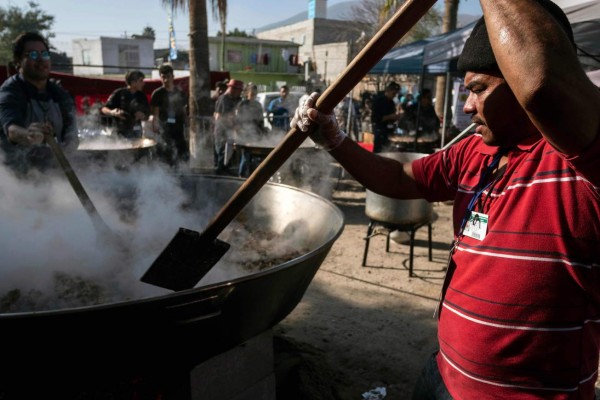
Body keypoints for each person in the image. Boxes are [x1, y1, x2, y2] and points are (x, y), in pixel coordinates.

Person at [291, 0, 600, 398]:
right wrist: (333, 139)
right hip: (442, 376)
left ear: (517, 80)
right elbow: (400, 178)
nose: (467, 106)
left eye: (479, 89)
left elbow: (542, 85)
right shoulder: (475, 152)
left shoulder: (582, 161)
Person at [0, 32, 78, 176]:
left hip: (53, 177)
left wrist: (69, 150)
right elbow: (12, 130)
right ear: (18, 60)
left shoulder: (59, 93)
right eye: (33, 55)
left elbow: (71, 132)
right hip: (16, 178)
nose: (41, 60)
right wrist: (29, 135)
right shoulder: (10, 91)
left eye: (45, 54)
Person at [150, 64, 189, 168]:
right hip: (164, 127)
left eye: (168, 76)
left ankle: (182, 170)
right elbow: (155, 112)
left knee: (181, 151)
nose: (166, 80)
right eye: (163, 77)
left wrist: (187, 124)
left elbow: (183, 110)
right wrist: (155, 125)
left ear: (173, 76)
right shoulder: (158, 93)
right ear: (160, 78)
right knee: (166, 151)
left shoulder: (180, 92)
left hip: (178, 126)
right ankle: (167, 171)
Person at [100, 70, 150, 139]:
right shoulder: (119, 93)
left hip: (137, 132)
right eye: (141, 81)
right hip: (120, 132)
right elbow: (104, 109)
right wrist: (112, 112)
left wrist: (143, 116)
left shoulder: (142, 96)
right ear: (133, 82)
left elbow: (147, 115)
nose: (143, 83)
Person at [213, 78, 243, 174]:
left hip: (229, 133)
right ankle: (220, 177)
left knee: (228, 158)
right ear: (232, 89)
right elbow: (218, 117)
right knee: (222, 157)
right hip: (221, 132)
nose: (239, 93)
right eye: (239, 90)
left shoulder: (236, 99)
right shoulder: (224, 99)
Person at [235, 83, 266, 177]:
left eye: (255, 93)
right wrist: (238, 132)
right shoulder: (242, 104)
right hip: (244, 133)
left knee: (255, 157)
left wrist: (262, 132)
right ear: (247, 93)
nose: (253, 94)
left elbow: (261, 120)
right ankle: (242, 176)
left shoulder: (258, 105)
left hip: (255, 133)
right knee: (245, 156)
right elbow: (238, 120)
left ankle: (253, 176)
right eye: (251, 92)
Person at [370, 81, 402, 153]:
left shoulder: (391, 103)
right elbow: (375, 118)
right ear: (388, 91)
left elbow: (392, 116)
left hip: (389, 131)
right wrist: (389, 117)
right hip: (380, 130)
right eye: (393, 93)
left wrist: (396, 117)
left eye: (396, 94)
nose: (394, 96)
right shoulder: (378, 101)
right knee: (379, 151)